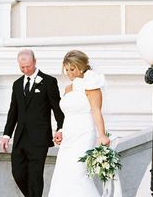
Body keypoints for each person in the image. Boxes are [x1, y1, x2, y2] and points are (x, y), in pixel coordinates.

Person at [1, 49, 65, 197]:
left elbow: (57, 108)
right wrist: (6, 135)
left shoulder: (49, 82)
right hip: (20, 137)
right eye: (22, 67)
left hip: (39, 138)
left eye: (28, 66)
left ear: (35, 62)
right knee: (17, 172)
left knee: (35, 176)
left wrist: (60, 128)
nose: (25, 70)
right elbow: (13, 112)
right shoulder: (17, 84)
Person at [47, 50, 110, 196]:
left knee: (78, 173)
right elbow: (68, 113)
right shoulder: (68, 88)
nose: (69, 73)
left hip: (84, 134)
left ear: (81, 67)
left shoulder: (92, 85)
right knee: (63, 174)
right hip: (69, 135)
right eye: (67, 69)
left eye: (72, 69)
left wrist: (102, 135)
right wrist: (61, 131)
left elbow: (96, 111)